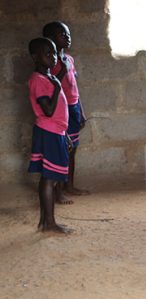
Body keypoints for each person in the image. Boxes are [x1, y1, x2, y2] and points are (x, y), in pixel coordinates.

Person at [26, 37, 73, 234]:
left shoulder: (48, 78)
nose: (53, 57)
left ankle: (45, 221)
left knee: (49, 178)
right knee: (49, 178)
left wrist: (65, 135)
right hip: (48, 132)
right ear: (35, 57)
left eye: (54, 53)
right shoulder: (39, 81)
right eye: (48, 53)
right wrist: (57, 89)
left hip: (56, 132)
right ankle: (49, 223)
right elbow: (47, 110)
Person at [43, 21, 88, 203]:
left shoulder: (69, 59)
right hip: (61, 111)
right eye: (62, 34)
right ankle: (58, 191)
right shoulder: (50, 63)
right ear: (51, 39)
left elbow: (74, 86)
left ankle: (69, 185)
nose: (67, 37)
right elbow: (53, 89)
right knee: (62, 150)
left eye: (68, 34)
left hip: (74, 107)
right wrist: (61, 70)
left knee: (72, 149)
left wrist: (81, 111)